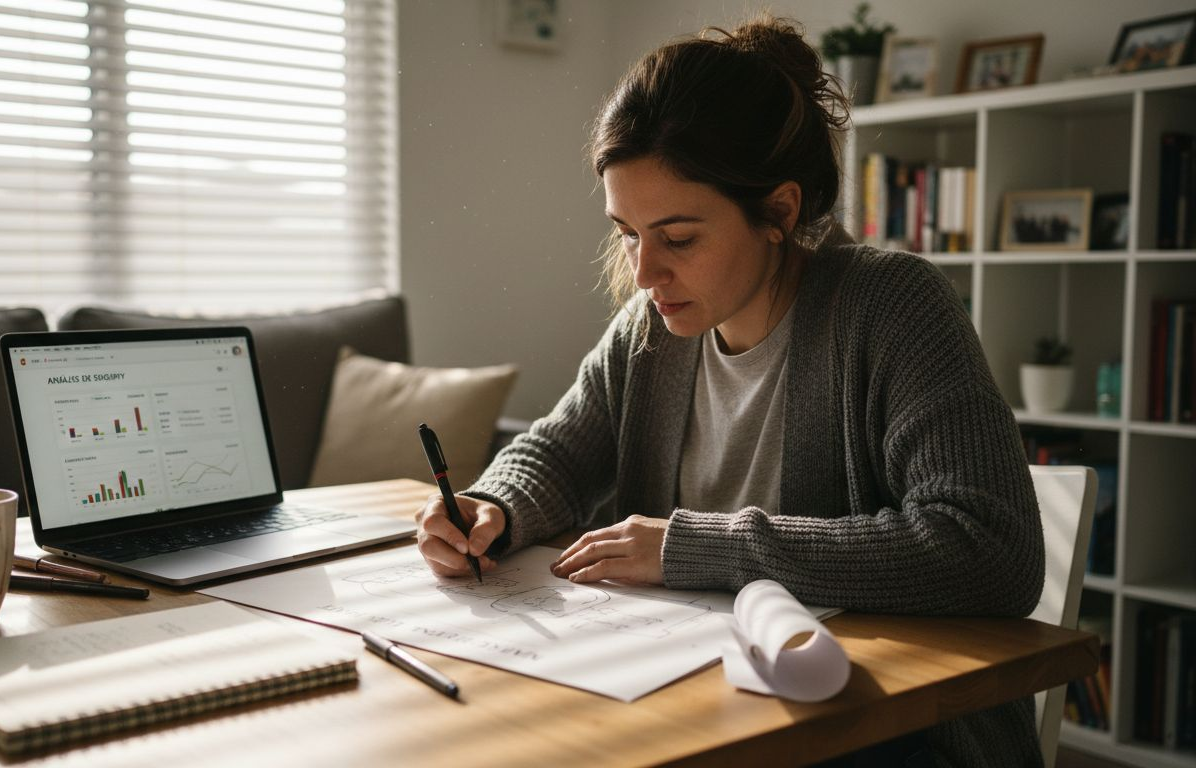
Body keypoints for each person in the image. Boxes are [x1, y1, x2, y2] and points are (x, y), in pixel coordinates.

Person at [416, 14, 1044, 767]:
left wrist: (695, 548)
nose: (645, 274)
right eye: (626, 232)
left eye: (678, 238)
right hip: (699, 703)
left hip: (884, 729)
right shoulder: (650, 329)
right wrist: (493, 506)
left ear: (779, 211)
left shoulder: (893, 306)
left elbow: (990, 549)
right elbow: (559, 449)